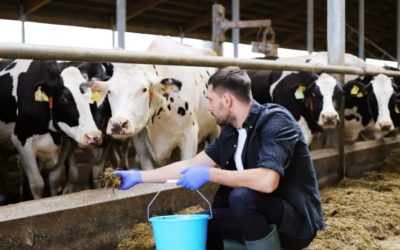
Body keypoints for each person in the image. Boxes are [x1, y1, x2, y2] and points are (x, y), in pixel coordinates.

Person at [114, 66, 325, 250]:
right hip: (257, 216)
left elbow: (267, 181)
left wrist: (210, 174)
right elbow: (191, 164)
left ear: (227, 100)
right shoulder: (231, 131)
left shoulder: (276, 122)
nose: (208, 107)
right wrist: (139, 176)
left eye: (210, 100)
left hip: (296, 223)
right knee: (200, 227)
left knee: (241, 197)